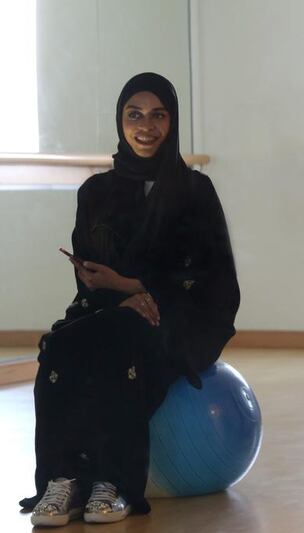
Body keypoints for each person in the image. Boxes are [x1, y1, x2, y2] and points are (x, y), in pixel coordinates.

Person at [20, 72, 240, 526]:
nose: (146, 126)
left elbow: (215, 280)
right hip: (111, 313)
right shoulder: (95, 193)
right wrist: (115, 292)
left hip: (185, 319)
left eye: (158, 115)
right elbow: (89, 280)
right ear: (120, 121)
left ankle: (112, 481)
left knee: (118, 342)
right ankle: (62, 481)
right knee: (59, 345)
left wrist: (136, 288)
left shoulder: (196, 192)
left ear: (172, 121)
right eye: (134, 115)